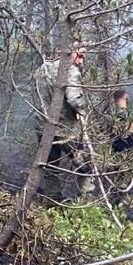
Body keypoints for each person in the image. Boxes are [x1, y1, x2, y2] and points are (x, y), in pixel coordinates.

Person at [35, 46, 91, 201]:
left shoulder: (43, 68)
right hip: (66, 131)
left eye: (83, 57)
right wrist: (84, 112)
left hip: (44, 128)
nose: (80, 61)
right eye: (79, 56)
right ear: (68, 52)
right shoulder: (70, 70)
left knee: (50, 167)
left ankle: (54, 202)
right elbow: (75, 99)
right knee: (85, 164)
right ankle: (85, 201)